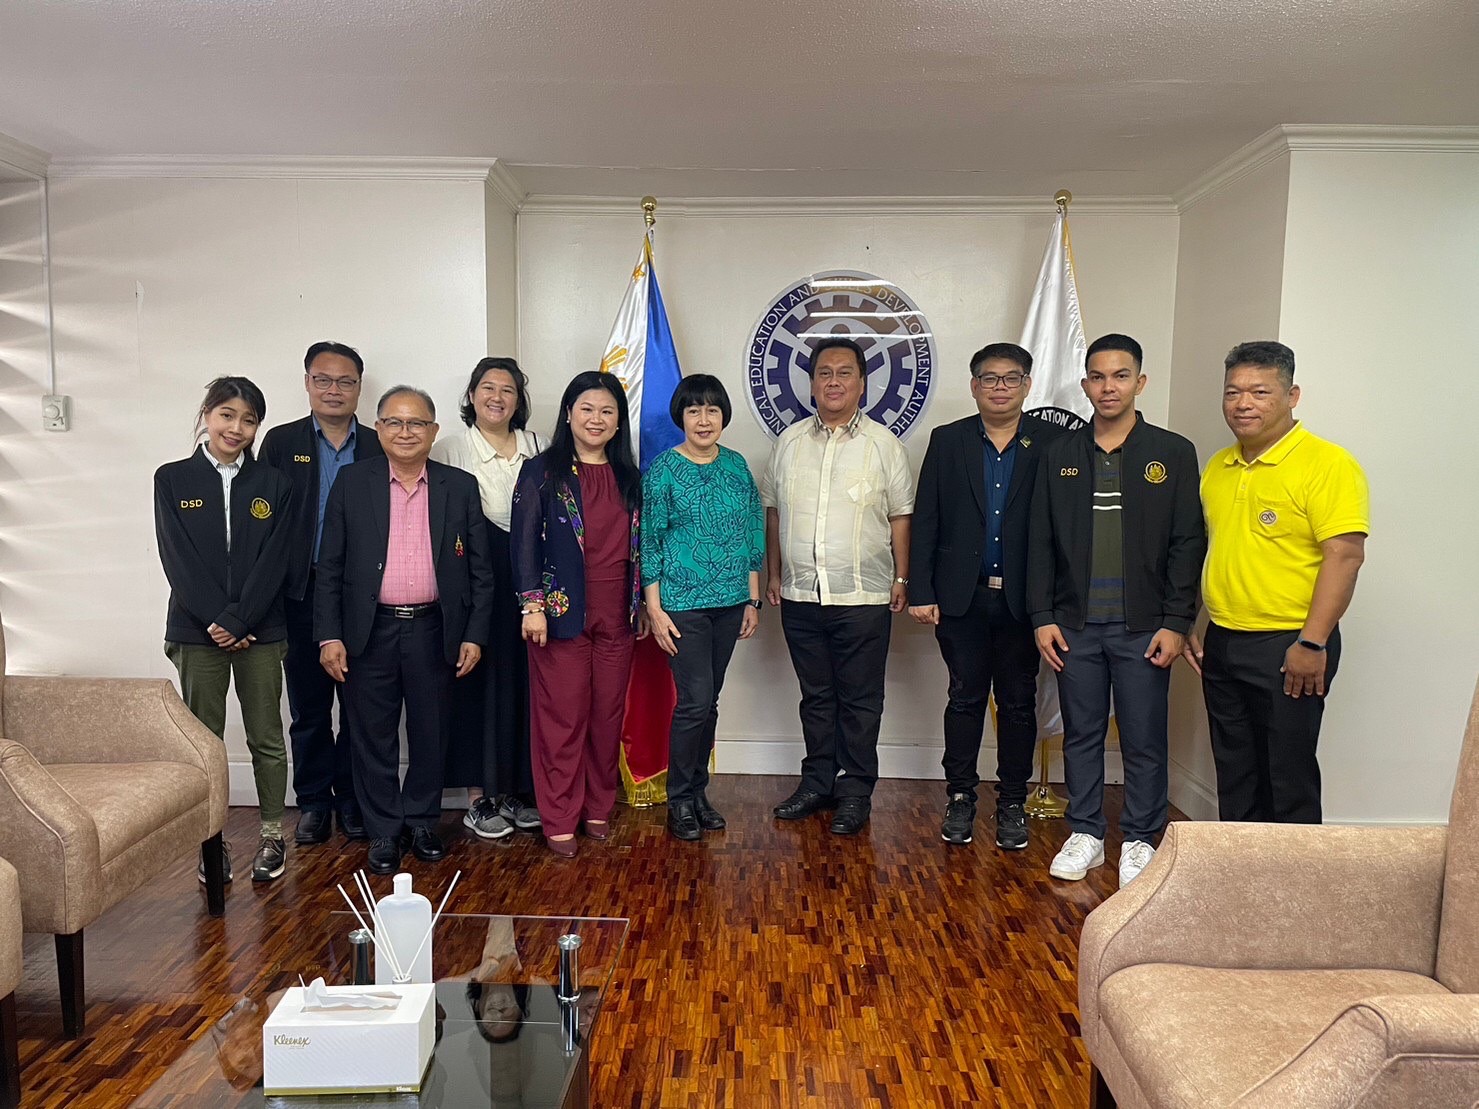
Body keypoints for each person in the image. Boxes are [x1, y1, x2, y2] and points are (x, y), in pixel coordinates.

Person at [1028, 334, 1205, 886]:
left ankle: (1140, 839)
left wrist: (1176, 622)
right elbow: (1039, 540)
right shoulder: (1059, 454)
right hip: (1074, 625)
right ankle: (1085, 833)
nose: (1109, 387)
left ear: (1140, 382)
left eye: (1121, 376)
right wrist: (1042, 616)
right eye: (1099, 377)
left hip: (1144, 628)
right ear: (1085, 385)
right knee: (1081, 733)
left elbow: (1187, 543)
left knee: (1143, 736)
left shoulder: (1172, 452)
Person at [1183, 341, 1368, 824]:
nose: (1243, 404)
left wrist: (1312, 642)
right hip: (1224, 639)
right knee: (1235, 772)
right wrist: (1192, 621)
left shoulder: (1327, 464)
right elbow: (1211, 550)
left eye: (1260, 392)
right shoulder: (1218, 467)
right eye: (1233, 392)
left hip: (1290, 644)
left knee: (1287, 776)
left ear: (1292, 395)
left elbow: (1345, 556)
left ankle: (1295, 873)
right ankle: (1242, 867)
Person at [314, 386, 495, 875]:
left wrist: (474, 634)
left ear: (433, 432)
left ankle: (421, 821)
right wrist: (329, 635)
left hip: (435, 629)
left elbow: (480, 572)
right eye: (394, 422)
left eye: (416, 423)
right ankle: (384, 830)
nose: (405, 432)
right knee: (371, 737)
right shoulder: (353, 482)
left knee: (431, 732)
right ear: (379, 429)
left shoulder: (458, 486)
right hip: (368, 631)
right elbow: (329, 566)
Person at [908, 342, 1064, 848]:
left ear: (1027, 385)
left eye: (1011, 378)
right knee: (964, 698)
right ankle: (960, 797)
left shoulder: (1053, 443)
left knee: (1018, 703)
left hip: (1025, 601)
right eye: (990, 378)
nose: (1000, 387)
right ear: (974, 386)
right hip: (962, 598)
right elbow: (927, 519)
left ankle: (1012, 802)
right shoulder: (948, 440)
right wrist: (921, 589)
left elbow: (1064, 527)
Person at [760, 337, 915, 836]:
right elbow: (774, 514)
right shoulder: (788, 443)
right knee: (816, 697)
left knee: (861, 701)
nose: (833, 381)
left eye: (844, 372)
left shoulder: (884, 445)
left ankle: (855, 792)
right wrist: (775, 573)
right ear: (811, 384)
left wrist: (901, 577)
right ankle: (817, 784)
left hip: (863, 597)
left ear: (862, 384)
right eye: (824, 373)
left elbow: (901, 517)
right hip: (801, 595)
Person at [154, 376, 296, 883]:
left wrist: (241, 620)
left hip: (261, 630)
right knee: (205, 742)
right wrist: (218, 620)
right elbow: (178, 558)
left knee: (267, 736)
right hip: (197, 632)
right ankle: (210, 843)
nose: (236, 428)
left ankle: (272, 835)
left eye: (249, 420)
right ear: (207, 415)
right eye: (227, 415)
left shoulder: (275, 483)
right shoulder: (172, 479)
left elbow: (276, 560)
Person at [511, 371, 645, 858]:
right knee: (562, 720)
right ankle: (559, 815)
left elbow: (640, 548)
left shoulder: (630, 476)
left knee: (606, 717)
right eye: (587, 408)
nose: (596, 419)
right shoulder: (542, 471)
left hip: (618, 616)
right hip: (558, 614)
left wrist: (641, 604)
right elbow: (523, 541)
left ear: (618, 422)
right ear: (569, 413)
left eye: (607, 411)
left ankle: (597, 806)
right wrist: (532, 605)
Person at [259, 341, 383, 847]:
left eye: (345, 381)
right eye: (323, 380)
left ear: (359, 387)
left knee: (359, 708)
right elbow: (264, 523)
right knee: (308, 707)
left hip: (363, 594)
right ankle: (313, 801)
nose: (334, 390)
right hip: (301, 593)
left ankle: (352, 799)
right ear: (307, 383)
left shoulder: (377, 443)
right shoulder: (280, 442)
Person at [641, 374, 765, 841]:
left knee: (709, 702)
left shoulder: (736, 465)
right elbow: (649, 541)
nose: (704, 419)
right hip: (682, 605)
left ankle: (698, 792)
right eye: (694, 410)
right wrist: (654, 609)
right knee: (694, 702)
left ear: (723, 416)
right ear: (682, 417)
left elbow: (751, 530)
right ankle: (679, 799)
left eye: (712, 409)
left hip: (731, 602)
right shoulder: (664, 470)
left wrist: (752, 597)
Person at [430, 357, 546, 841]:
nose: (497, 397)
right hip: (473, 575)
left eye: (508, 390)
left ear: (519, 400)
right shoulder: (450, 448)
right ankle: (478, 798)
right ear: (472, 395)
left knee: (524, 681)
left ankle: (517, 790)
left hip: (530, 575)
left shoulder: (538, 446)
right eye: (488, 388)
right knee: (475, 681)